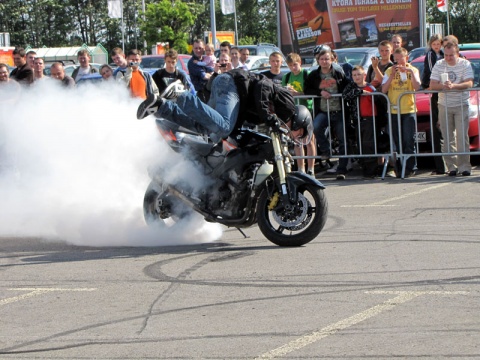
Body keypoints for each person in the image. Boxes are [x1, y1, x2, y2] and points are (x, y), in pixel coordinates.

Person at [137, 68, 299, 146]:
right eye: (299, 134)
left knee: (206, 127)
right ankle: (180, 94)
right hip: (231, 84)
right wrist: (270, 118)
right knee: (223, 127)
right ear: (301, 122)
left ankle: (161, 107)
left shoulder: (277, 121)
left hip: (229, 90)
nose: (295, 136)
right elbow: (263, 87)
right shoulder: (289, 107)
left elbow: (241, 114)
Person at [304, 46, 350, 180]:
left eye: (327, 59)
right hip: (323, 110)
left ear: (332, 59)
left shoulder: (338, 73)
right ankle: (327, 150)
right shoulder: (314, 75)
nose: (324, 61)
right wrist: (320, 93)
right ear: (318, 60)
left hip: (339, 110)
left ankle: (342, 168)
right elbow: (307, 90)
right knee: (315, 127)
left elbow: (347, 85)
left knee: (343, 139)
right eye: (322, 59)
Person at [429, 42, 473, 177]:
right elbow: (432, 85)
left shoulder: (465, 64)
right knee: (447, 137)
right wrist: (443, 86)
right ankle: (451, 167)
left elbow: (469, 82)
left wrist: (454, 86)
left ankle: (464, 167)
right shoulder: (439, 64)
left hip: (461, 104)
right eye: (446, 55)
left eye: (451, 55)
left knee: (462, 136)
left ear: (457, 53)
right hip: (444, 104)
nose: (448, 58)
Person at [381, 47, 421, 178]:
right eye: (396, 60)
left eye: (401, 59)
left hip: (408, 109)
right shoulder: (389, 70)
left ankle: (410, 167)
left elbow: (417, 86)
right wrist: (392, 75)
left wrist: (409, 71)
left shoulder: (413, 70)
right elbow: (384, 89)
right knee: (397, 141)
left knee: (409, 140)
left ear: (407, 58)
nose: (398, 63)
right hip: (393, 110)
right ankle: (399, 167)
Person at [282, 52, 316, 175]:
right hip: (294, 111)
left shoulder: (306, 74)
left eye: (295, 64)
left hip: (307, 110)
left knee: (309, 140)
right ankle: (301, 168)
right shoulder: (286, 77)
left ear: (300, 63)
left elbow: (310, 95)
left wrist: (297, 93)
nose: (293, 68)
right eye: (290, 65)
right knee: (297, 140)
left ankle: (311, 169)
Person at [343, 66, 378, 178]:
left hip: (369, 119)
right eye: (354, 75)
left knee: (369, 144)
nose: (357, 77)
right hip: (357, 119)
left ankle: (371, 170)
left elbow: (378, 100)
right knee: (360, 145)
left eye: (359, 74)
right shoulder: (351, 86)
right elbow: (345, 95)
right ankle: (364, 167)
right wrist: (359, 91)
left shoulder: (370, 87)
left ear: (364, 75)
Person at [421, 34, 447, 175]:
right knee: (437, 128)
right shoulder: (430, 55)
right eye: (434, 44)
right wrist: (434, 84)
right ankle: (440, 165)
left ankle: (448, 163)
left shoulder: (443, 54)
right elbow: (432, 71)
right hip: (433, 86)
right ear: (430, 44)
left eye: (438, 44)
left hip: (444, 90)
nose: (436, 46)